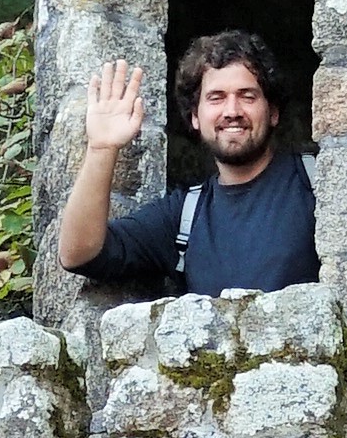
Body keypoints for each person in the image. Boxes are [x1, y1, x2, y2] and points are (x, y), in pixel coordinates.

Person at [53, 27, 319, 296]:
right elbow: (77, 253)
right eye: (216, 98)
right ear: (195, 116)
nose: (232, 111)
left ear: (272, 112)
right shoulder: (184, 216)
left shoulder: (316, 182)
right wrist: (101, 147)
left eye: (247, 96)